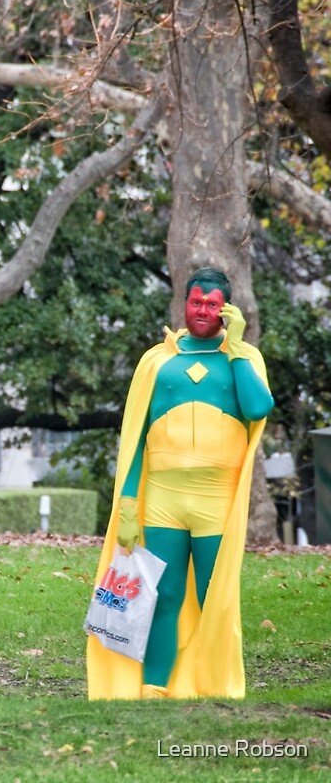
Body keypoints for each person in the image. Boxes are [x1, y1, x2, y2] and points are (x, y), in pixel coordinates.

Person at [86, 267, 274, 699]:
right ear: (183, 304)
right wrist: (129, 504)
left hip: (216, 501)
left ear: (226, 309)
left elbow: (259, 406)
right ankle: (155, 688)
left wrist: (240, 346)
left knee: (216, 599)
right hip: (162, 500)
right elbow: (135, 439)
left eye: (212, 304)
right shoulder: (157, 361)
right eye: (196, 302)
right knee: (163, 597)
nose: (203, 310)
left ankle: (217, 687)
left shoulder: (241, 359)